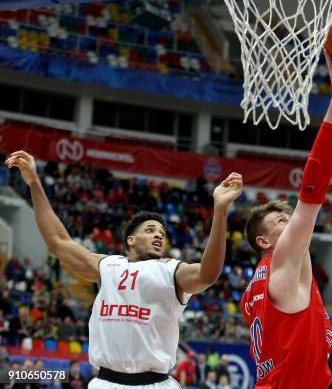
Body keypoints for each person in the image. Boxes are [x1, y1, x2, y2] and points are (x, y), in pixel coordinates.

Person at [5, 151, 243, 388]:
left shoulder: (172, 270)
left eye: (162, 232)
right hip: (106, 382)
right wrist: (35, 183)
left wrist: (220, 210)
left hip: (155, 383)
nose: (159, 234)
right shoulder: (108, 266)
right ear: (131, 239)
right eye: (150, 230)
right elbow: (59, 242)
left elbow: (208, 274)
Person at [240, 51, 332, 389]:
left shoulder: (252, 293)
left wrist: (326, 339)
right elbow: (313, 187)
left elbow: (282, 346)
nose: (292, 223)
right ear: (264, 242)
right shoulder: (282, 259)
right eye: (281, 221)